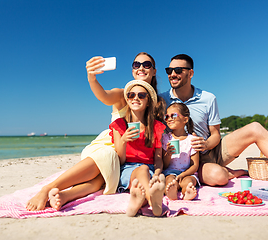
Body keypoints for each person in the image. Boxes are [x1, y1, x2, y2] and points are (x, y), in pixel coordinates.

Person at [159, 54, 268, 191]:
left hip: (209, 152)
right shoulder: (162, 100)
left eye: (178, 70)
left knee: (255, 128)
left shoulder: (208, 98)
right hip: (181, 160)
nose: (172, 74)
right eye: (169, 70)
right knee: (219, 177)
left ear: (191, 73)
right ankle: (233, 173)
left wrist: (204, 144)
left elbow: (216, 135)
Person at [26, 52, 163, 211]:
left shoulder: (158, 104)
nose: (141, 68)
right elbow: (104, 96)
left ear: (154, 70)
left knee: (100, 182)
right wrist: (92, 78)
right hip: (110, 144)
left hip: (128, 156)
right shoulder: (123, 94)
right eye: (136, 64)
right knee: (107, 158)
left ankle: (65, 196)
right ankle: (47, 189)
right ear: (132, 70)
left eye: (146, 65)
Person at [109, 80, 166, 217]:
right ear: (127, 99)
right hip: (127, 170)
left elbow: (158, 160)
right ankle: (153, 203)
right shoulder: (119, 125)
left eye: (141, 95)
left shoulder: (156, 127)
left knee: (145, 172)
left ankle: (138, 200)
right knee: (142, 170)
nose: (135, 98)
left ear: (148, 101)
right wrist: (123, 140)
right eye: (131, 95)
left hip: (149, 171)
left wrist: (157, 174)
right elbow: (121, 161)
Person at [162, 102, 199, 200]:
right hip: (170, 172)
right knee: (170, 180)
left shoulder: (192, 140)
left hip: (187, 173)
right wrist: (168, 154)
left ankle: (187, 193)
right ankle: (171, 192)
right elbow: (164, 165)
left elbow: (195, 165)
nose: (169, 119)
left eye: (173, 115)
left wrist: (183, 174)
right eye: (167, 116)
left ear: (185, 119)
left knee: (188, 182)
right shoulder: (165, 139)